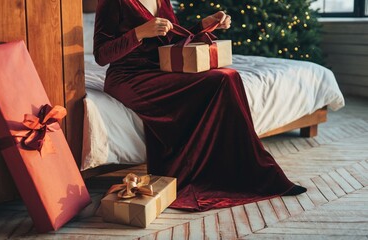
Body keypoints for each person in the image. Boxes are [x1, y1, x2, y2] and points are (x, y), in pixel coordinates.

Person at [93, 0, 307, 211]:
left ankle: (244, 173)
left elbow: (172, 41)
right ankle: (222, 177)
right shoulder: (113, 2)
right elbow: (101, 55)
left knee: (229, 76)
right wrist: (138, 33)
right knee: (222, 79)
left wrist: (202, 27)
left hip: (163, 68)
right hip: (128, 77)